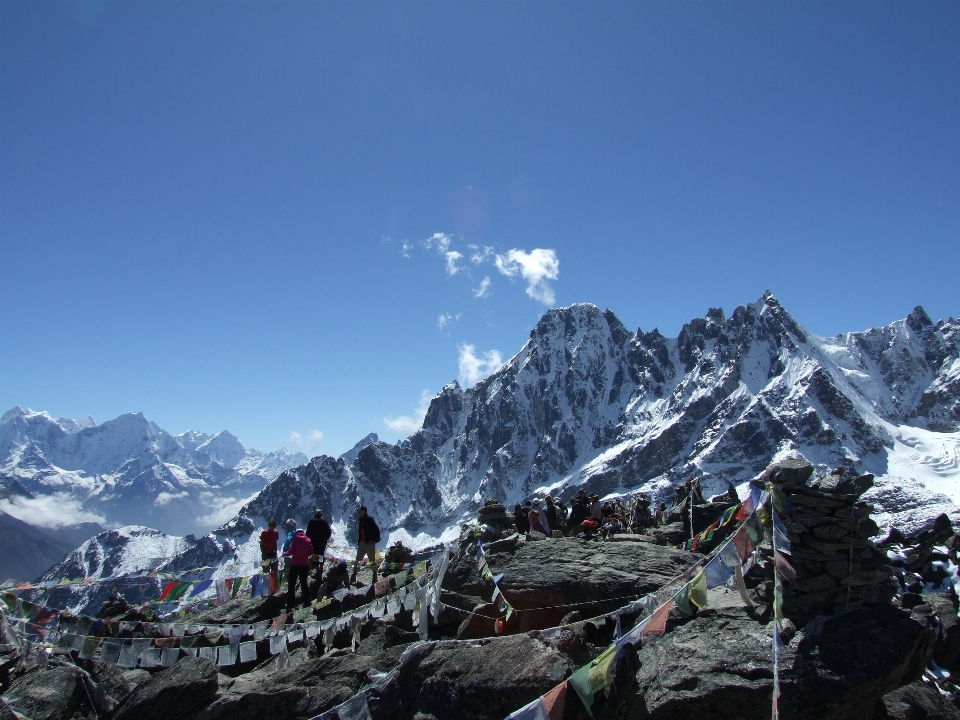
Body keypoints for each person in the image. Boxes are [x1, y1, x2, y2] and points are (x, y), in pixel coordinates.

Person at [283, 526, 314, 610]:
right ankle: (307, 601)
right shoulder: (308, 540)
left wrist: (285, 553)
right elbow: (311, 552)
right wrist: (304, 555)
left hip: (294, 565)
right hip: (304, 565)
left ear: (297, 533)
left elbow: (291, 551)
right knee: (304, 583)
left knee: (292, 584)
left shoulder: (295, 539)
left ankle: (290, 603)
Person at [351, 506, 381, 585]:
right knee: (357, 559)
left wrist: (375, 540)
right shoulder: (361, 520)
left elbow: (376, 530)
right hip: (362, 542)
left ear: (364, 511)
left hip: (369, 543)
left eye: (360, 511)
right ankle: (354, 575)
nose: (358, 512)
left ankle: (374, 576)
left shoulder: (369, 520)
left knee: (372, 560)